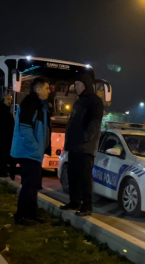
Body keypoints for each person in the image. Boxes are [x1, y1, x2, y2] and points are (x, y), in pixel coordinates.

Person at [61, 73, 104, 216]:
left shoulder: (95, 101)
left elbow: (95, 123)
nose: (75, 87)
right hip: (73, 146)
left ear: (85, 84)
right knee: (72, 175)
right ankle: (74, 202)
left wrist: (85, 138)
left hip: (85, 148)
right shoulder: (78, 102)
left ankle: (87, 206)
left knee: (84, 177)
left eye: (78, 84)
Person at [11, 77, 51, 226]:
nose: (49, 91)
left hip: (33, 153)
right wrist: (35, 147)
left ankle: (31, 214)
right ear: (38, 89)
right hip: (28, 152)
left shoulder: (39, 104)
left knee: (33, 185)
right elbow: (25, 128)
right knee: (29, 185)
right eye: (46, 88)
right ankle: (22, 216)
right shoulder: (31, 103)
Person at [0, 94, 14, 178]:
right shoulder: (1, 110)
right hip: (2, 138)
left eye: (10, 100)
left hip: (5, 138)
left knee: (3, 155)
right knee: (2, 155)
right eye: (8, 99)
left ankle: (1, 171)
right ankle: (0, 172)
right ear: (4, 99)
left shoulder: (6, 110)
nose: (9, 101)